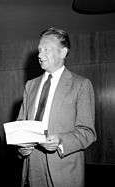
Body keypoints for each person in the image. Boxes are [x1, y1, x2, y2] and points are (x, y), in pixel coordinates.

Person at [17, 27, 96, 187]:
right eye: (39, 50)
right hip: (33, 164)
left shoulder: (81, 84)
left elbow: (88, 132)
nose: (39, 55)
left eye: (46, 49)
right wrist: (21, 148)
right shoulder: (30, 85)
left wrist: (60, 141)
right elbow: (21, 125)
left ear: (63, 52)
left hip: (64, 168)